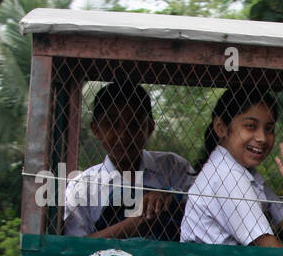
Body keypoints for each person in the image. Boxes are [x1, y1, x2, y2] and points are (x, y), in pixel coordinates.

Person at [63, 81, 193, 240]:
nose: (123, 135)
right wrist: (132, 227)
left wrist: (171, 196)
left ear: (149, 128)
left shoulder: (174, 167)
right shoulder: (83, 186)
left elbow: (205, 207)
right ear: (96, 130)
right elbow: (73, 248)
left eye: (134, 125)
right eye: (111, 124)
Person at [180, 87, 283, 248]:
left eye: (269, 129)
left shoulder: (247, 174)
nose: (262, 138)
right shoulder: (226, 175)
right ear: (221, 128)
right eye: (250, 126)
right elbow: (270, 253)